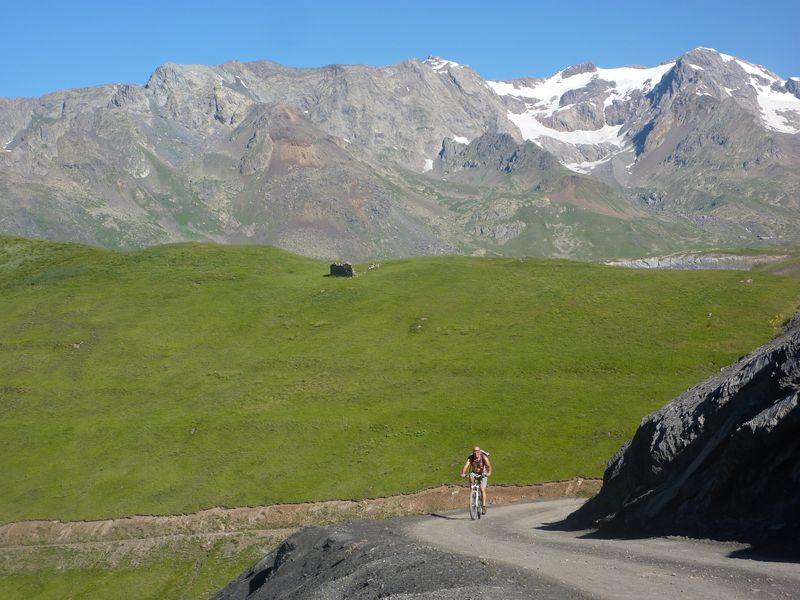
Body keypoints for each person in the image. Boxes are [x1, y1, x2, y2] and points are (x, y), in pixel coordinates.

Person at [460, 446, 493, 514]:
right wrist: (463, 473)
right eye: (474, 451)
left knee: (482, 489)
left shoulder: (484, 457)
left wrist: (489, 473)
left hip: (483, 473)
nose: (476, 453)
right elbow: (466, 465)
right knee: (470, 477)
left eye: (477, 451)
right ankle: (472, 492)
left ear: (480, 451)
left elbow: (489, 466)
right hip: (474, 473)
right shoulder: (471, 457)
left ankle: (483, 506)